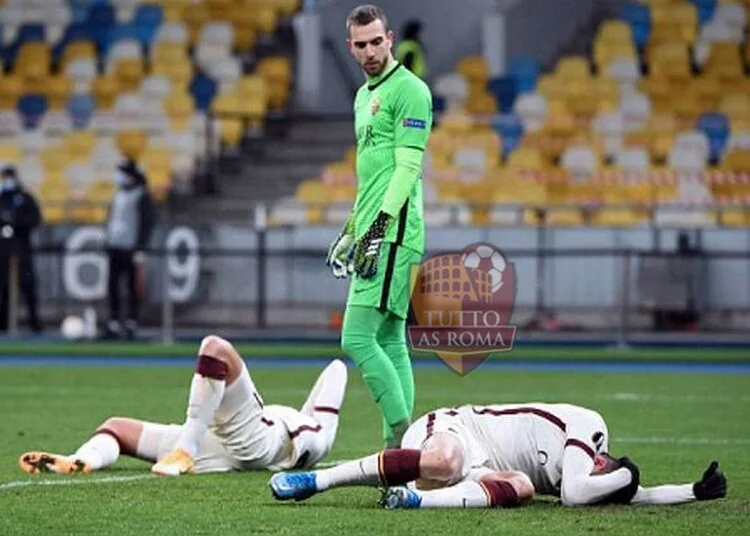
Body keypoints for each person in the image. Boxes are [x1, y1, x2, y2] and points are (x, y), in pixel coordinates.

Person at [269, 402, 727, 509]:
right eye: (607, 472)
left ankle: (414, 501)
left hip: (487, 466)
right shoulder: (592, 426)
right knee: (445, 461)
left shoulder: (590, 476)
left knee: (523, 488)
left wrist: (693, 491)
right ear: (605, 459)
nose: (597, 477)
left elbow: (634, 494)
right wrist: (626, 478)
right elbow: (577, 493)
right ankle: (319, 481)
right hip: (458, 430)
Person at [326, 4, 433, 448]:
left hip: (392, 234)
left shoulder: (410, 91)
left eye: (376, 41)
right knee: (390, 338)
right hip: (374, 231)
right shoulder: (362, 97)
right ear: (351, 47)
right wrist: (353, 227)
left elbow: (407, 170)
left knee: (355, 337)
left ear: (389, 39)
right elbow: (370, 175)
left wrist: (376, 231)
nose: (370, 51)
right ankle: (403, 454)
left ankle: (402, 440)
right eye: (361, 44)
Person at [19, 335, 348, 476]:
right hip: (226, 448)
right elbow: (337, 370)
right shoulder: (316, 436)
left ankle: (185, 449)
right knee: (116, 428)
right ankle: (83, 459)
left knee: (215, 348)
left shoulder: (317, 433)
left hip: (250, 441)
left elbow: (336, 369)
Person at [103, 158, 154, 340]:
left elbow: (146, 223)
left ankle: (132, 321)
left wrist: (141, 248)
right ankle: (114, 321)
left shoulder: (141, 195)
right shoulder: (118, 194)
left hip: (131, 248)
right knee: (113, 286)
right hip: (115, 246)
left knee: (132, 287)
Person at [0, 163, 42, 333]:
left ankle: (34, 323)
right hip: (2, 249)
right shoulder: (1, 197)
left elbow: (35, 218)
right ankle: (3, 324)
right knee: (3, 287)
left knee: (27, 284)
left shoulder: (24, 197)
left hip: (21, 247)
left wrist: (17, 225)